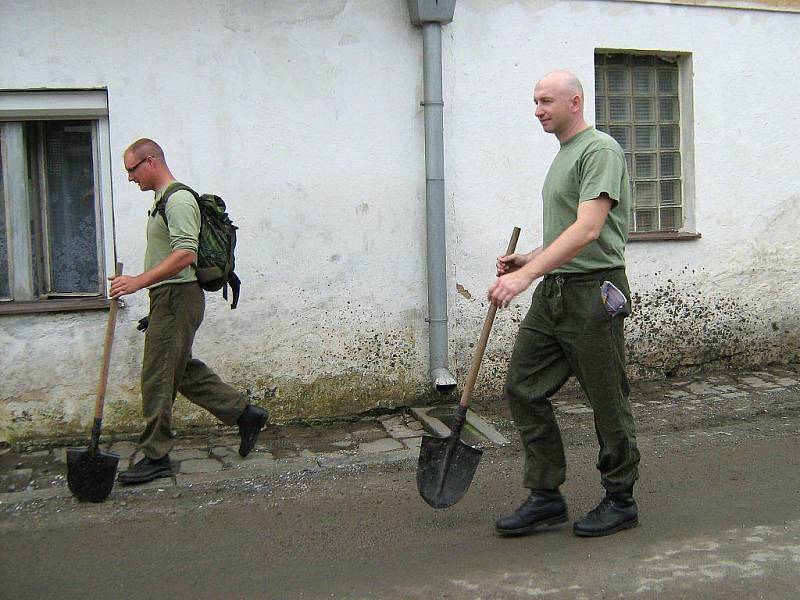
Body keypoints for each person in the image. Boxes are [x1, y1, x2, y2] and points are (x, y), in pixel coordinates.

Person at [488, 70, 640, 537]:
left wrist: (526, 277)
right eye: (535, 101)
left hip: (593, 294)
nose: (538, 110)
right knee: (523, 387)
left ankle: (620, 498)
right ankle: (546, 495)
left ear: (575, 102)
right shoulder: (566, 155)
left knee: (606, 400)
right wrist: (530, 258)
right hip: (554, 292)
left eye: (547, 101)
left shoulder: (600, 150)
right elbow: (567, 233)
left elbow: (590, 229)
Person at [110, 138, 268, 484]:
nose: (130, 178)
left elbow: (185, 255)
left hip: (177, 297)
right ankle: (244, 414)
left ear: (150, 161)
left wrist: (138, 282)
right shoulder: (162, 201)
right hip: (169, 298)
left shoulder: (179, 200)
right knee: (181, 371)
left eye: (131, 170)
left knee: (157, 377)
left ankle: (156, 456)